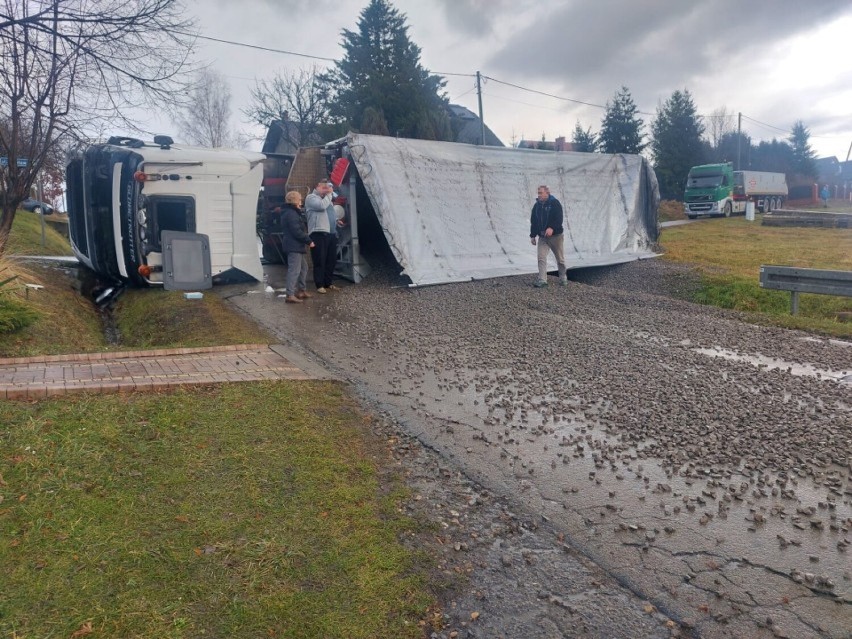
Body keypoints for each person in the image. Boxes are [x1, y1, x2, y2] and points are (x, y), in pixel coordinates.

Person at [279, 190, 314, 304]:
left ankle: (301, 290)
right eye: (299, 199)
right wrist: (309, 241)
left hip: (295, 245)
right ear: (295, 201)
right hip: (293, 246)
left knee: (304, 268)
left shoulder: (291, 212)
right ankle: (290, 295)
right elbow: (296, 231)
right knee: (294, 270)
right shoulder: (291, 213)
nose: (301, 201)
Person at [529, 184, 567, 287]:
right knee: (541, 257)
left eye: (541, 193)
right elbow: (534, 221)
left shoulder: (555, 203)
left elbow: (559, 218)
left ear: (547, 193)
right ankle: (542, 280)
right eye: (538, 193)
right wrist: (532, 235)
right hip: (543, 237)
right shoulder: (536, 206)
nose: (539, 195)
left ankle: (563, 278)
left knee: (560, 259)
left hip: (556, 236)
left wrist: (552, 228)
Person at [305, 180, 335, 293]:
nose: (326, 190)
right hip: (318, 232)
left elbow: (329, 212)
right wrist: (329, 194)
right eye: (324, 188)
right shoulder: (311, 198)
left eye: (327, 188)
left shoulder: (326, 199)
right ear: (317, 186)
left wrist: (336, 220)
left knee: (331, 260)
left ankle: (328, 282)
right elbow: (322, 207)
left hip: (331, 232)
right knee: (319, 259)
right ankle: (319, 285)